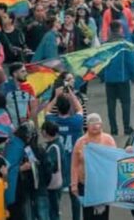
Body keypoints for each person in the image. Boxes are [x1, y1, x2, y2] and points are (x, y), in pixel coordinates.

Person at [43, 91, 84, 220]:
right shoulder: (76, 122)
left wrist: (56, 96)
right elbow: (80, 108)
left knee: (56, 196)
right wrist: (72, 94)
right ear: (69, 107)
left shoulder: (53, 122)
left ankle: (56, 217)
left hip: (59, 163)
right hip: (73, 163)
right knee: (75, 195)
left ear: (58, 109)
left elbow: (47, 111)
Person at [71, 113, 116, 220]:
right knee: (88, 215)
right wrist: (74, 184)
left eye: (97, 123)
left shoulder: (108, 140)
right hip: (85, 185)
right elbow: (74, 165)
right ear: (87, 126)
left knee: (103, 216)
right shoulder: (80, 142)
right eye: (92, 123)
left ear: (101, 125)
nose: (95, 126)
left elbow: (115, 161)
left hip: (102, 186)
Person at [100, 20, 134, 136]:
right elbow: (131, 62)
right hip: (123, 78)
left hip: (109, 79)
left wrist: (102, 76)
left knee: (111, 105)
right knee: (125, 103)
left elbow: (100, 62)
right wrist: (133, 76)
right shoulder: (124, 45)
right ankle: (126, 127)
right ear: (121, 29)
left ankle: (113, 129)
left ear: (110, 30)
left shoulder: (105, 45)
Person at [41, 121, 64, 220]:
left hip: (52, 184)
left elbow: (51, 166)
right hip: (58, 182)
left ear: (45, 132)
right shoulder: (58, 143)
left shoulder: (53, 147)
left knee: (53, 211)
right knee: (54, 208)